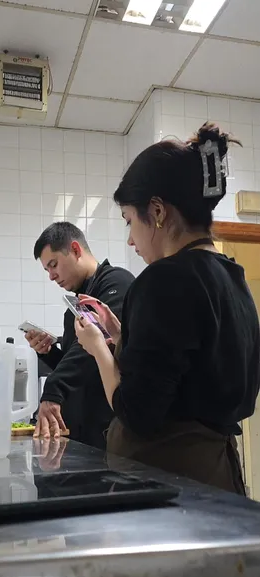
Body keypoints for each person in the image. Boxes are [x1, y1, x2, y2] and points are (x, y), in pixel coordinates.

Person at [75, 122, 260, 494]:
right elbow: (193, 368)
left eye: (130, 221)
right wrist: (121, 335)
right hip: (218, 478)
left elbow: (137, 413)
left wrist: (98, 350)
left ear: (157, 211)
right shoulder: (233, 277)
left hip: (170, 485)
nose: (131, 240)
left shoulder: (163, 279)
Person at [26, 222, 134, 448]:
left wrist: (54, 389)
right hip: (80, 430)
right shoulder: (73, 308)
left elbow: (97, 346)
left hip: (106, 429)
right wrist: (48, 353)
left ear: (75, 250)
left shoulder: (117, 283)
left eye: (53, 265)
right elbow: (79, 362)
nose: (52, 276)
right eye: (47, 270)